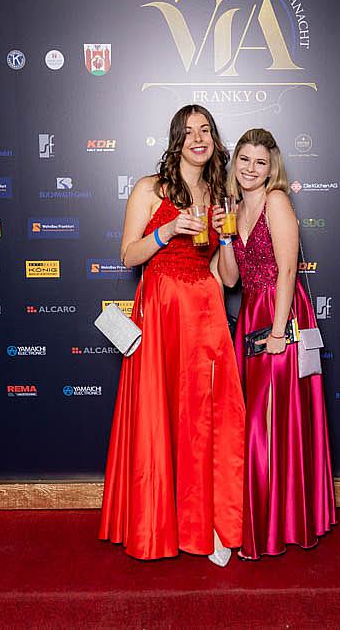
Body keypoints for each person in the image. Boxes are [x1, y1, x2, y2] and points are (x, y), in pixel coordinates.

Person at [99, 105, 245, 564]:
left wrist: (226, 238)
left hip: (206, 313)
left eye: (205, 130)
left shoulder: (220, 195)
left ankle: (209, 524)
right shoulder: (150, 188)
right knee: (160, 415)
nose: (198, 138)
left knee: (205, 418)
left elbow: (228, 277)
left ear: (214, 140)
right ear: (176, 141)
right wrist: (168, 229)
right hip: (162, 311)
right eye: (189, 131)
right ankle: (156, 523)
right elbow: (128, 255)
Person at [217, 128, 336, 559]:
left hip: (280, 315)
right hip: (251, 313)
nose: (250, 169)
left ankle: (269, 528)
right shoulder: (233, 209)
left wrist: (278, 333)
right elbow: (230, 278)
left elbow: (287, 271)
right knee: (254, 421)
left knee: (269, 424)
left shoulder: (277, 201)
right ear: (235, 164)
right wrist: (226, 237)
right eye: (244, 160)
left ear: (272, 168)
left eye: (260, 162)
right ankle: (262, 521)